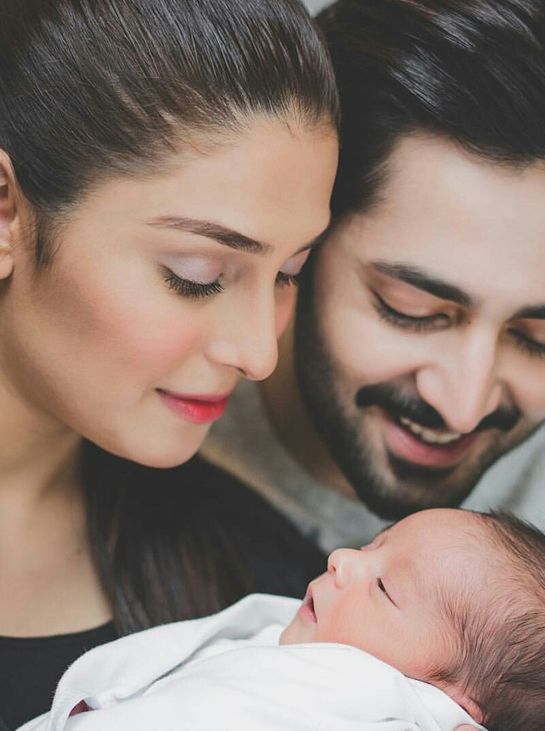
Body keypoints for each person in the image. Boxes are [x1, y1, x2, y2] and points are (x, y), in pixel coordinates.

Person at [203, 1, 545, 728]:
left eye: (543, 334)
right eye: (410, 308)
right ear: (303, 246)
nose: (461, 402)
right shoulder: (134, 415)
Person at [0, 0, 339, 727]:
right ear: (6, 210)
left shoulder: (282, 606)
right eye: (196, 272)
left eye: (289, 273)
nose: (258, 352)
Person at [20, 509, 545, 731]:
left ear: (453, 706)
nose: (344, 561)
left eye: (384, 587)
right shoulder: (307, 655)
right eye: (373, 544)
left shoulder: (373, 701)